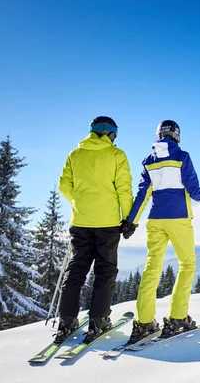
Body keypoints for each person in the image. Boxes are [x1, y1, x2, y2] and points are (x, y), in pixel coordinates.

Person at [120, 120, 200, 344]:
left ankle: (143, 323)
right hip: (178, 219)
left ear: (159, 135)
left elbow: (142, 195)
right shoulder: (182, 156)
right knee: (187, 265)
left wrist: (131, 222)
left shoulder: (149, 161)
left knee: (152, 268)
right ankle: (177, 319)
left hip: (155, 221)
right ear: (176, 136)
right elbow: (194, 191)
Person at [55, 116, 133, 344]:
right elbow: (124, 189)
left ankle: (66, 320)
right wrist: (128, 219)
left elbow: (63, 185)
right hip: (107, 223)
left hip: (80, 221)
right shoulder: (117, 155)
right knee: (105, 270)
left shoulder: (75, 154)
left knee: (76, 269)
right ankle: (98, 320)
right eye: (114, 134)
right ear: (109, 133)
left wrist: (79, 202)